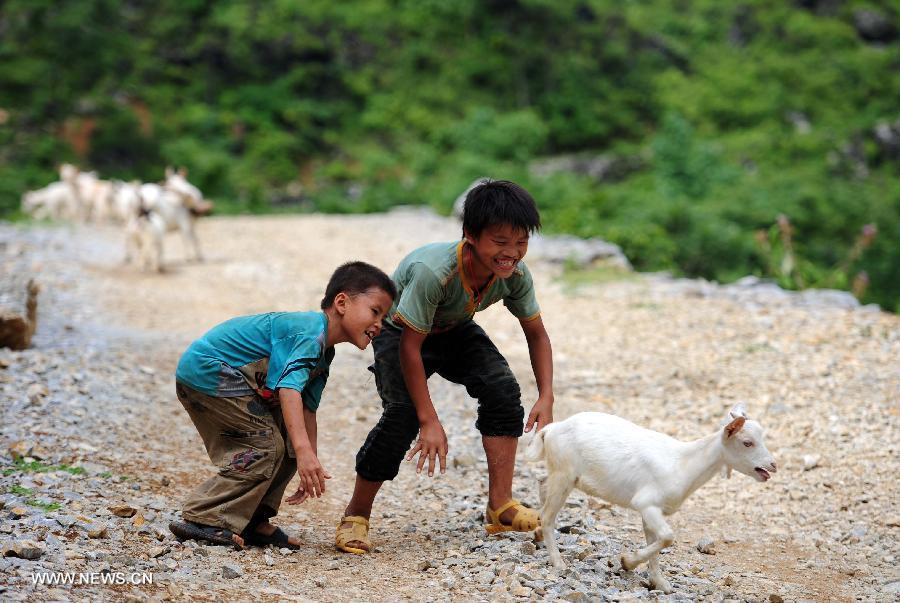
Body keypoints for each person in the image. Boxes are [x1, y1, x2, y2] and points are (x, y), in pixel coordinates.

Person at [335, 180, 555, 554]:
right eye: (500, 242)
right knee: (402, 414)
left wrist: (546, 395)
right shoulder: (433, 272)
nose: (512, 253)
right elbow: (410, 346)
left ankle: (499, 505)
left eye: (521, 242)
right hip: (400, 332)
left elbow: (537, 334)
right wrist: (429, 419)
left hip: (452, 326)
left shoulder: (515, 276)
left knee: (502, 389)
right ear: (470, 235)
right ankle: (356, 515)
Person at [169, 261, 397, 550]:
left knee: (290, 442)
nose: (379, 324)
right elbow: (288, 389)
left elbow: (306, 408)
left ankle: (252, 518)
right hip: (209, 372)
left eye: (384, 317)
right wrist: (302, 451)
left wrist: (308, 459)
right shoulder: (308, 332)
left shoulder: (324, 353)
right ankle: (205, 516)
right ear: (342, 302)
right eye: (375, 311)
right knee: (265, 446)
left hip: (233, 381)